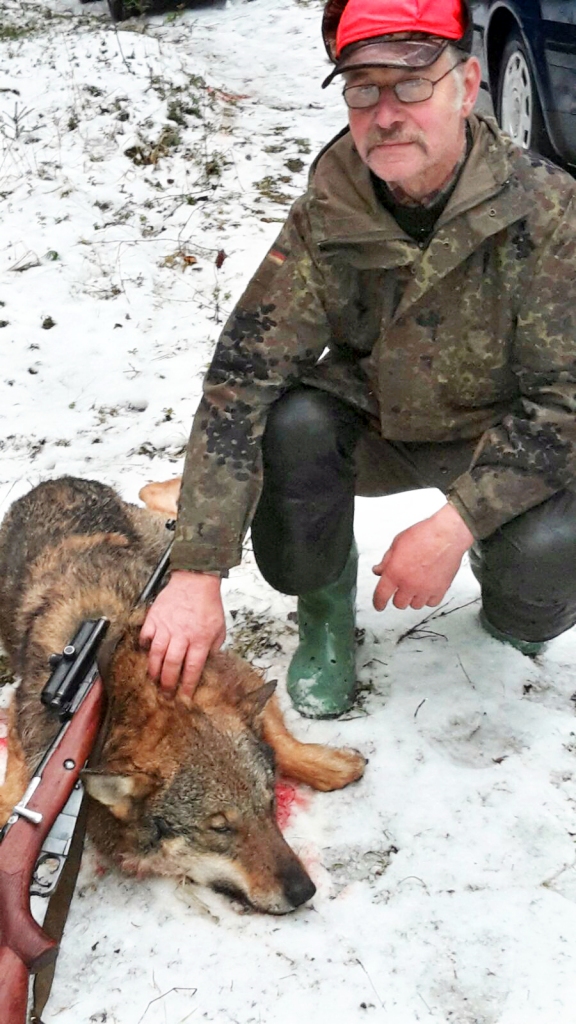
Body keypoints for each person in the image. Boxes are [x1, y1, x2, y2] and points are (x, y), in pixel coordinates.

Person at [141, 0, 576, 718]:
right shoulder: (330, 211)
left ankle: (508, 605)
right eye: (361, 87)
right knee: (294, 424)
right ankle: (325, 608)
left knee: (551, 549)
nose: (385, 112)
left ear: (467, 87)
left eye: (411, 83)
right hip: (377, 420)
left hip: (494, 435)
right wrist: (195, 569)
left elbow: (566, 400)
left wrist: (456, 523)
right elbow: (240, 381)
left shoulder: (548, 208)